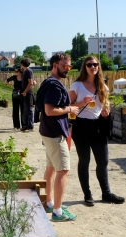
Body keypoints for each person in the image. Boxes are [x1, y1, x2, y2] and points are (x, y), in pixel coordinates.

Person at [69, 56, 125, 206]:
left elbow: (105, 105)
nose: (93, 67)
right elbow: (69, 106)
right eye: (89, 64)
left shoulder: (103, 86)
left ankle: (106, 193)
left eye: (95, 64)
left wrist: (106, 111)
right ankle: (87, 194)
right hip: (81, 126)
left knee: (103, 161)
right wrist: (82, 103)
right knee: (85, 160)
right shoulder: (77, 85)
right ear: (84, 67)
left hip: (98, 126)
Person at [37, 52, 78, 221]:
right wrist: (69, 109)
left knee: (51, 168)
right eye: (64, 66)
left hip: (47, 131)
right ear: (55, 65)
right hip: (54, 133)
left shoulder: (49, 82)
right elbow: (49, 110)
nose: (67, 69)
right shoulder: (54, 86)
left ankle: (49, 203)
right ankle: (58, 212)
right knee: (63, 170)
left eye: (69, 66)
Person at [20, 58, 35, 132]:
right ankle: (25, 125)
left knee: (29, 109)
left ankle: (30, 126)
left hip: (28, 93)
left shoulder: (29, 71)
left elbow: (30, 83)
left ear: (22, 64)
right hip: (24, 92)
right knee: (25, 109)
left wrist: (25, 91)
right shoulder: (25, 71)